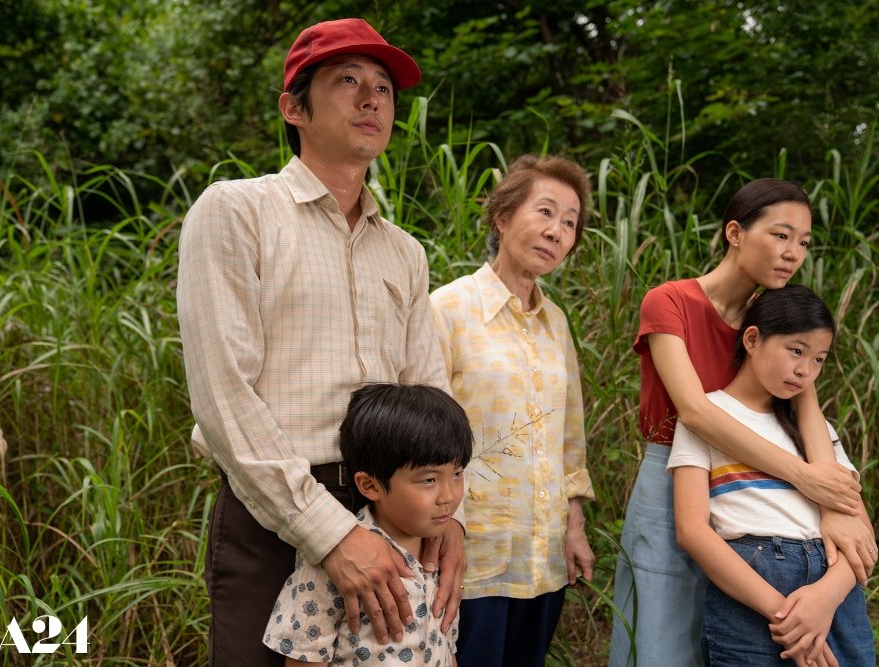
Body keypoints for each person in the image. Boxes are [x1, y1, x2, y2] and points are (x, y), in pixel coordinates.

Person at [177, 19, 464, 667]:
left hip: (394, 510)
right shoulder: (235, 212)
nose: (372, 100)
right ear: (293, 108)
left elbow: (430, 399)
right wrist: (332, 535)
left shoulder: (405, 252)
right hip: (272, 514)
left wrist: (449, 519)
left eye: (385, 88)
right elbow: (225, 401)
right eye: (348, 81)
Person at [607, 179, 878, 666]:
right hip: (678, 471)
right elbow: (694, 411)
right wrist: (804, 477)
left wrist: (832, 502)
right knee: (663, 636)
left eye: (803, 242)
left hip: (754, 488)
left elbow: (805, 409)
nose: (792, 252)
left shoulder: (771, 315)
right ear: (735, 232)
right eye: (780, 235)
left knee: (733, 631)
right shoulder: (669, 302)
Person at [431, 155, 596, 667]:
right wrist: (441, 531)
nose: (556, 232)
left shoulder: (557, 323)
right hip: (470, 556)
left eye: (569, 223)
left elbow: (569, 435)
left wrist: (574, 525)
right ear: (502, 217)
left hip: (544, 560)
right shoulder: (448, 309)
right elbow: (425, 439)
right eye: (544, 212)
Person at [670, 285, 876, 666]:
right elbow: (692, 530)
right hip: (751, 589)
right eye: (796, 351)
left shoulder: (815, 431)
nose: (805, 370)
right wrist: (786, 614)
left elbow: (861, 534)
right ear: (752, 339)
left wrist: (824, 599)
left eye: (818, 359)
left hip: (834, 592)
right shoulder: (709, 418)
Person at [263, 383, 472, 667]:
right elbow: (305, 657)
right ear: (370, 485)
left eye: (457, 473)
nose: (448, 496)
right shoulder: (333, 567)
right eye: (429, 480)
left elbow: (447, 646)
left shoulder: (444, 561)